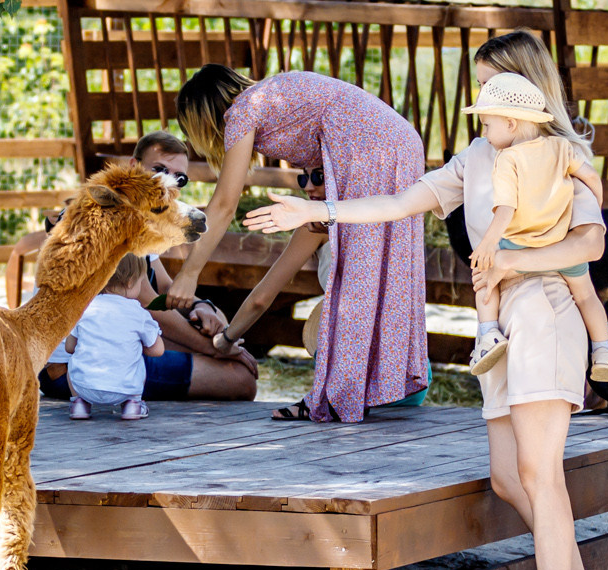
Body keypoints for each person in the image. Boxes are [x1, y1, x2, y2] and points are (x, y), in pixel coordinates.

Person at [247, 29, 608, 570]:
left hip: (545, 314)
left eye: (487, 89)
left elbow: (589, 245)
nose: (480, 103)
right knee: (510, 479)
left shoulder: (561, 155)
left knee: (540, 475)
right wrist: (318, 213)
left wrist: (513, 259)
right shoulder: (477, 157)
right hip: (498, 325)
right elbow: (399, 201)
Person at [166, 66, 428, 423]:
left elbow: (225, 204)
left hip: (370, 149)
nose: (307, 184)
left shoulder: (243, 110)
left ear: (202, 117)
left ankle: (339, 396)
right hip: (399, 142)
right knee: (379, 267)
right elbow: (263, 294)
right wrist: (227, 339)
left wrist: (188, 274)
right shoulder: (277, 104)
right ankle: (369, 385)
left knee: (355, 273)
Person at [33, 131, 262, 405]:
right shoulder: (111, 215)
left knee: (215, 327)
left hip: (108, 341)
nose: (168, 181)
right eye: (159, 170)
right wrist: (217, 350)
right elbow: (150, 304)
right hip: (77, 368)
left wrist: (203, 307)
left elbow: (163, 288)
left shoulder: (143, 216)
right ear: (133, 166)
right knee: (240, 379)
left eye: (179, 177)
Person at [459, 71, 608, 384]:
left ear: (510, 123)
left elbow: (506, 209)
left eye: (487, 124)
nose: (486, 133)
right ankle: (603, 352)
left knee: (484, 280)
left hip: (519, 246)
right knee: (587, 296)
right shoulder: (560, 147)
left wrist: (489, 243)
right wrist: (594, 207)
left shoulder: (506, 160)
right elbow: (590, 178)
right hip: (560, 248)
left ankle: (488, 335)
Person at [58, 253, 164, 422]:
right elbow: (158, 350)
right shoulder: (138, 313)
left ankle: (79, 403)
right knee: (139, 360)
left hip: (85, 387)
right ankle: (132, 404)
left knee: (72, 359)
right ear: (130, 282)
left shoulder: (84, 309)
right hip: (123, 389)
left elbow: (69, 348)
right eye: (141, 281)